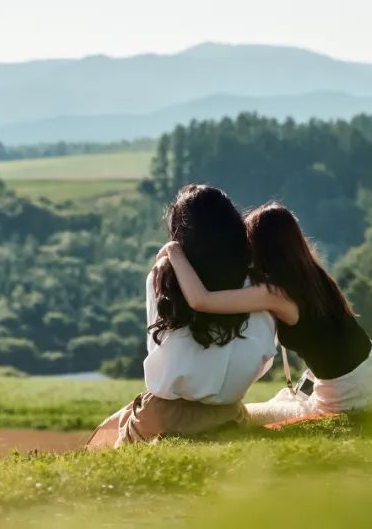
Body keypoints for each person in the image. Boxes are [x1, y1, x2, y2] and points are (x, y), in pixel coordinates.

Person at [159, 201, 372, 424]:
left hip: (352, 395)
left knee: (246, 416)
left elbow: (201, 301)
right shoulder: (313, 275)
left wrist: (174, 251)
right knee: (281, 399)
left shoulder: (275, 292)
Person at [87, 184, 277, 448]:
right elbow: (264, 353)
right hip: (226, 415)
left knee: (106, 439)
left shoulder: (163, 277)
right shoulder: (257, 284)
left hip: (164, 415)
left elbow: (157, 348)